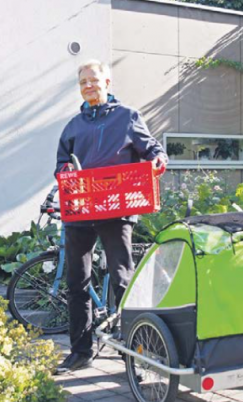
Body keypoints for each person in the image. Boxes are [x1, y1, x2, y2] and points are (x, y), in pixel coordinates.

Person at [54, 60, 168, 374]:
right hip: (79, 210)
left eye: (93, 80)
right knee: (77, 282)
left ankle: (138, 349)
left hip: (117, 207)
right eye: (83, 83)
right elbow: (62, 162)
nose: (88, 86)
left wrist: (158, 159)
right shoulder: (73, 126)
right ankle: (81, 351)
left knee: (122, 278)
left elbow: (152, 149)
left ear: (107, 81)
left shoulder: (128, 117)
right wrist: (64, 170)